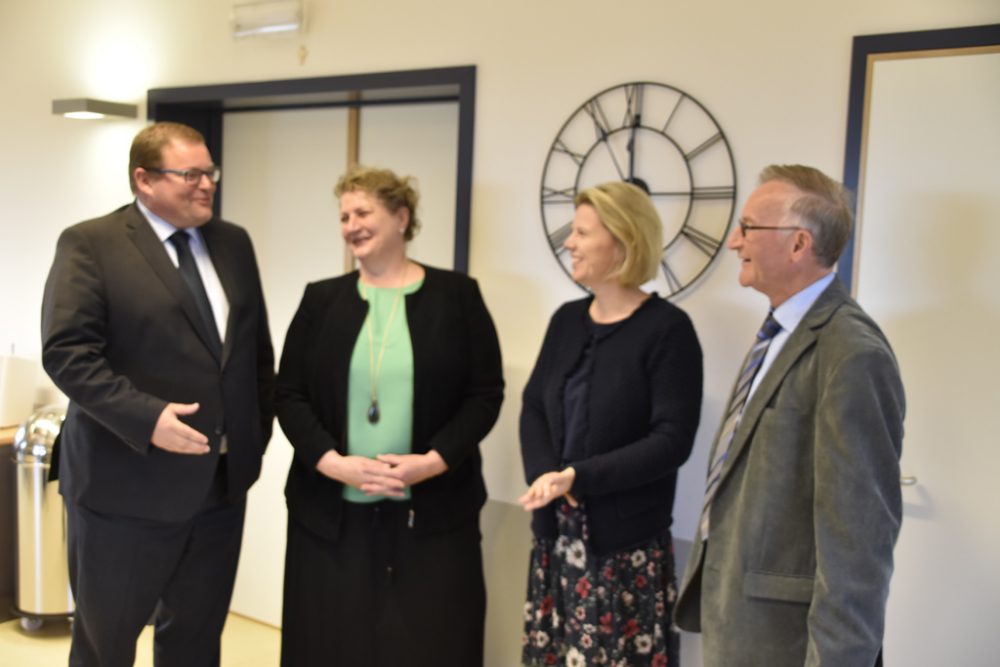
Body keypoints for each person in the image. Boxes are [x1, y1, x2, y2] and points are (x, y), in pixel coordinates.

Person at [40, 121, 275, 667]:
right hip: (124, 492)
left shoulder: (232, 243)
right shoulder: (91, 244)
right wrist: (147, 419)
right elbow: (68, 353)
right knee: (106, 646)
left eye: (210, 172)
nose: (206, 185)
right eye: (190, 174)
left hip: (219, 490)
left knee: (195, 641)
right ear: (143, 180)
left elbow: (253, 353)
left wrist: (250, 440)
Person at [674, 165, 905, 666]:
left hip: (787, 643)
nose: (735, 241)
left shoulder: (851, 352)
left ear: (799, 244)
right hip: (739, 626)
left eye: (750, 227)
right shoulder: (778, 333)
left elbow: (857, 546)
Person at [275, 165, 504, 666]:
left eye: (363, 212)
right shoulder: (321, 299)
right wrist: (331, 461)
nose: (350, 224)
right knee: (333, 642)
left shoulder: (457, 296)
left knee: (428, 639)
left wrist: (434, 461)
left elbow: (485, 395)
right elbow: (288, 394)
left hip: (434, 507)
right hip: (332, 509)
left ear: (401, 217)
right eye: (343, 216)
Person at [519, 181, 703, 666]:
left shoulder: (668, 331)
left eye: (581, 232)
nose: (569, 243)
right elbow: (534, 405)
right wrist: (545, 476)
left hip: (625, 555)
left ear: (622, 240)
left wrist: (580, 477)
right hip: (556, 542)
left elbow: (671, 440)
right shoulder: (565, 321)